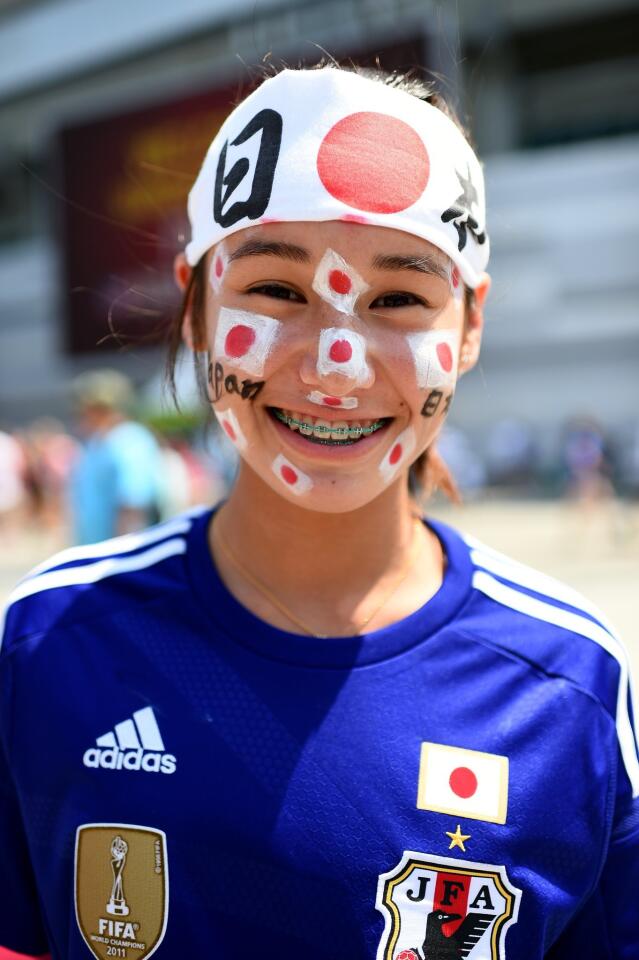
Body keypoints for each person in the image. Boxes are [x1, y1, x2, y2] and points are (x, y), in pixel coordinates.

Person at [1, 65, 637, 960]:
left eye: (398, 300)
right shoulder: (43, 642)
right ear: (196, 304)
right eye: (276, 291)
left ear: (467, 326)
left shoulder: (569, 680)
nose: (337, 365)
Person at [69, 369, 162, 543]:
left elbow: (133, 504)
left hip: (117, 553)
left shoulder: (130, 439)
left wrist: (125, 554)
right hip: (94, 548)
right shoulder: (95, 441)